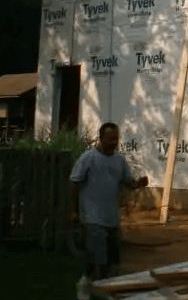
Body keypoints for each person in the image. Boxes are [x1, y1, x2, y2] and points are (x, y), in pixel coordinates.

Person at [69, 122, 148, 297]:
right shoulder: (88, 158)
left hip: (111, 217)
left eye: (116, 139)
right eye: (110, 139)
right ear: (101, 138)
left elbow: (128, 182)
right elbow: (74, 182)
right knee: (101, 258)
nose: (114, 142)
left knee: (111, 257)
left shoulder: (119, 160)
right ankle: (104, 291)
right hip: (92, 217)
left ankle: (84, 282)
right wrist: (73, 210)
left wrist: (138, 184)